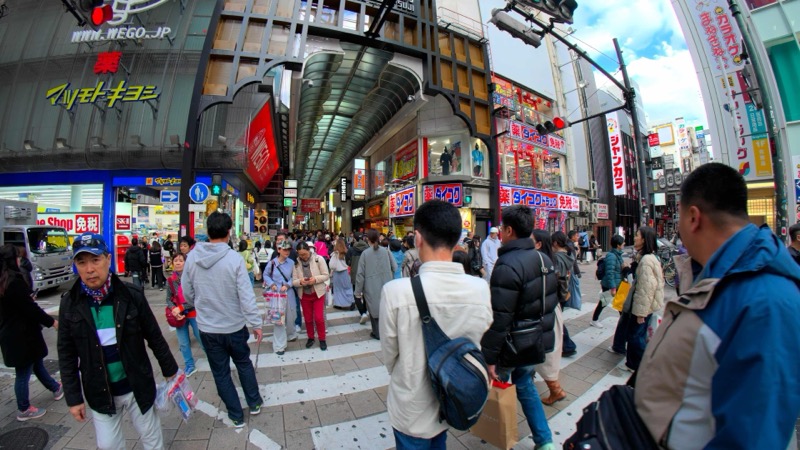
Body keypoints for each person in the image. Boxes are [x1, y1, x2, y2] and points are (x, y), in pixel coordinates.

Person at [635, 163, 800, 449]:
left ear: (693, 217)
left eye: (678, 217)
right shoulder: (719, 274)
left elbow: (753, 436)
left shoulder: (766, 302)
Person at [380, 200, 492, 448]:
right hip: (454, 397)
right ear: (457, 238)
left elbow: (389, 354)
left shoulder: (396, 291)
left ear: (418, 237)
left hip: (411, 403)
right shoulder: (480, 289)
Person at [58, 232, 178, 448]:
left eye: (95, 260)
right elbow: (66, 354)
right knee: (109, 445)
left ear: (108, 259)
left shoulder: (131, 295)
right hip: (99, 391)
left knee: (151, 438)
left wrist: (171, 371)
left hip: (137, 384)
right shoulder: (70, 303)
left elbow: (154, 336)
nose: (89, 269)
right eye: (82, 262)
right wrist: (73, 398)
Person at [481, 206, 559, 450]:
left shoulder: (507, 264)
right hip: (534, 340)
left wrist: (489, 357)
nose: (500, 234)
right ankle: (545, 441)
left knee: (499, 389)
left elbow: (500, 318)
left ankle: (502, 436)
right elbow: (551, 303)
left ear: (509, 230)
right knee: (526, 386)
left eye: (502, 229)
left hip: (511, 345)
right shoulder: (544, 259)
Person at [182, 212, 263, 427]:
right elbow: (246, 296)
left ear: (208, 232)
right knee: (243, 363)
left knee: (220, 372)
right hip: (234, 326)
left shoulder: (192, 258)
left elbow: (186, 293)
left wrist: (200, 303)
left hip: (208, 328)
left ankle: (235, 414)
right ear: (228, 232)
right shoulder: (234, 259)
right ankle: (254, 402)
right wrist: (256, 323)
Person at [0, 245, 62, 422]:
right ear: (12, 260)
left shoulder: (5, 281)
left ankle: (55, 387)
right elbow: (30, 309)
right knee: (23, 372)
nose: (20, 260)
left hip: (13, 333)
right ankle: (24, 409)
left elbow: (17, 304)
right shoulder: (13, 282)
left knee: (36, 363)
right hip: (21, 335)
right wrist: (52, 322)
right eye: (18, 257)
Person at [618, 226, 663, 372]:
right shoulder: (644, 257)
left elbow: (646, 288)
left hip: (643, 306)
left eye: (637, 235)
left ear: (644, 240)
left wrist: (641, 313)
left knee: (636, 337)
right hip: (641, 304)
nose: (635, 237)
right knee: (634, 335)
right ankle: (631, 364)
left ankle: (643, 368)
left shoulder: (647, 260)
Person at [530, 230, 567, 406]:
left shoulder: (540, 264)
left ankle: (556, 390)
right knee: (546, 352)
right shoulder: (550, 261)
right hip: (551, 309)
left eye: (530, 240)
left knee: (546, 354)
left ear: (538, 244)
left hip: (545, 312)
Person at [166, 252, 204, 377]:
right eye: (175, 260)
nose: (178, 263)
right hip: (179, 316)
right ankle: (190, 365)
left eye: (181, 260)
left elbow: (196, 297)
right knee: (183, 343)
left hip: (193, 312)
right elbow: (168, 299)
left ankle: (213, 358)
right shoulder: (170, 280)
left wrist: (181, 307)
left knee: (201, 338)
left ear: (186, 263)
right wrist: (174, 309)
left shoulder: (192, 277)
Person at [355, 229, 397, 340]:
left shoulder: (365, 254)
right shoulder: (386, 251)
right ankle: (387, 331)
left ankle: (377, 333)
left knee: (374, 310)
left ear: (368, 239)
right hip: (386, 283)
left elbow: (360, 274)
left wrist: (358, 291)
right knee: (386, 308)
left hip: (370, 285)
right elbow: (395, 266)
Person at [263, 240, 299, 355]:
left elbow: (295, 277)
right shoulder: (272, 263)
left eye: (288, 249)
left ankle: (291, 334)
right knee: (279, 321)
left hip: (289, 294)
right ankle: (279, 346)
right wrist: (272, 284)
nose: (287, 252)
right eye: (284, 249)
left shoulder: (292, 263)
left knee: (291, 317)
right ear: (278, 250)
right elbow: (265, 275)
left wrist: (288, 284)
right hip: (277, 296)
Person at [292, 242, 330, 350]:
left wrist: (315, 279)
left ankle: (322, 339)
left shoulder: (319, 259)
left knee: (319, 318)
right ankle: (311, 337)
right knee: (308, 319)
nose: (303, 257)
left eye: (304, 254)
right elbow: (294, 281)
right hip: (304, 295)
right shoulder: (296, 263)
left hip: (318, 293)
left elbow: (326, 275)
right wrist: (300, 281)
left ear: (309, 251)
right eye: (300, 255)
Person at [551, 232, 577, 358]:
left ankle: (567, 346)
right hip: (565, 291)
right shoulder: (569, 256)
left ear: (555, 243)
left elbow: (556, 277)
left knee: (556, 319)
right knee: (557, 318)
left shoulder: (556, 258)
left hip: (558, 293)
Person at [591, 234, 625, 329]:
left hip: (616, 283)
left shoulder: (617, 254)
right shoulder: (612, 256)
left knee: (617, 304)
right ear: (618, 245)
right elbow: (610, 273)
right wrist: (613, 287)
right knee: (604, 302)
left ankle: (623, 323)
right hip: (609, 284)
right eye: (623, 242)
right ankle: (594, 320)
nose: (624, 244)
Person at [346, 233, 371, 323]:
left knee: (356, 294)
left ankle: (362, 313)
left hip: (355, 274)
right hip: (367, 273)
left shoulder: (351, 249)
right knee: (366, 293)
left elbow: (347, 262)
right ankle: (365, 310)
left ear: (354, 239)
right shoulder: (368, 249)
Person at [329, 239, 355, 310]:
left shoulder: (335, 254)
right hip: (346, 272)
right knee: (348, 288)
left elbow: (331, 265)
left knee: (338, 289)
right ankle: (351, 302)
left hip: (337, 273)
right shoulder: (347, 252)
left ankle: (339, 304)